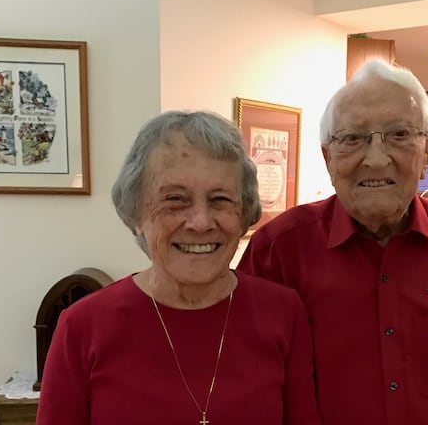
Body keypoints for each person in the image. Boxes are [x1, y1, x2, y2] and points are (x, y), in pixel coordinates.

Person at [238, 59, 428, 424]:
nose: (377, 159)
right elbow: (247, 379)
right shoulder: (278, 249)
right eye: (352, 139)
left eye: (399, 135)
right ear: (328, 158)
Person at [37, 111, 321, 425]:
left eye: (220, 199)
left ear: (244, 214)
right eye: (175, 199)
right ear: (136, 213)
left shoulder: (282, 313)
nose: (200, 222)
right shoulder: (82, 327)